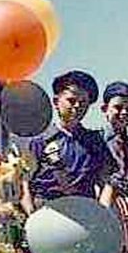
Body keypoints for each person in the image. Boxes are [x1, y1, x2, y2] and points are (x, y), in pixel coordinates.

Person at [21, 70, 115, 213]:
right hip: (46, 212)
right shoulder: (39, 141)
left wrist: (103, 212)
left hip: (84, 214)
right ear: (56, 102)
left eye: (83, 103)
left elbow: (107, 182)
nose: (77, 106)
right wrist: (31, 214)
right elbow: (24, 183)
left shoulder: (96, 143)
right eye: (71, 100)